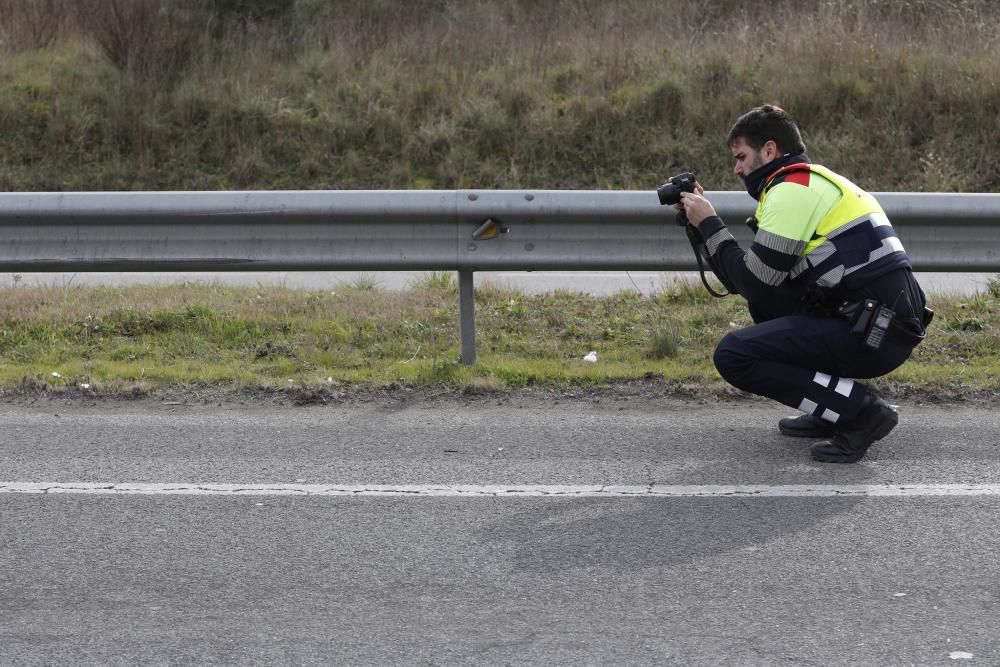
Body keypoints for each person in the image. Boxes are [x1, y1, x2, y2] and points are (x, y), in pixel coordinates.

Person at [676, 104, 932, 463]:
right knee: (765, 306)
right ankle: (830, 407)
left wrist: (712, 224)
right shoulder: (811, 180)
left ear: (769, 150)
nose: (737, 169)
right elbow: (752, 284)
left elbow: (755, 279)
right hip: (876, 324)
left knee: (733, 354)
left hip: (876, 334)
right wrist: (702, 229)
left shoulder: (792, 189)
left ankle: (863, 412)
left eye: (741, 157)